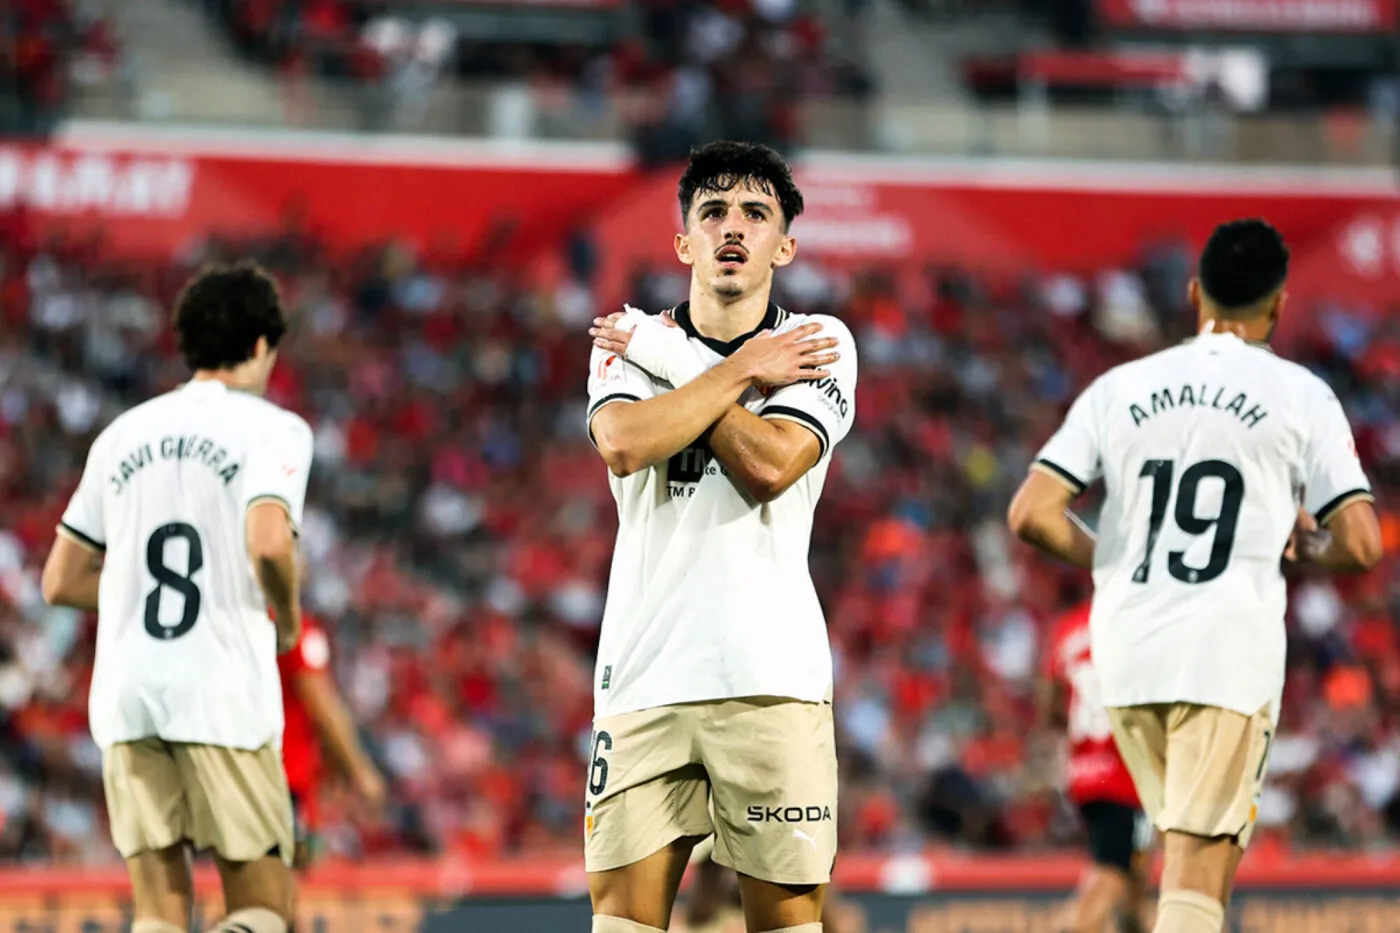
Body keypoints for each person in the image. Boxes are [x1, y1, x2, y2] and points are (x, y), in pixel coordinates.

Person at [1008, 219, 1383, 933]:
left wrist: (1117, 563)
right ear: (1276, 307)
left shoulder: (1118, 387)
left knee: (1169, 866)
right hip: (1221, 649)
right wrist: (1300, 548)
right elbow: (1361, 543)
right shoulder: (1298, 393)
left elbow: (1032, 512)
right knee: (1195, 873)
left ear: (1193, 294)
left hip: (1126, 653)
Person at [582, 140, 858, 933]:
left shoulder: (818, 341)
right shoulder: (626, 343)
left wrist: (670, 359)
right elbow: (627, 442)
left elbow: (771, 464)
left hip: (770, 677)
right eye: (712, 212)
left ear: (785, 244)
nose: (732, 227)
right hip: (641, 679)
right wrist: (736, 369)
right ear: (683, 242)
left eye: (755, 214)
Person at [41, 262, 314, 933]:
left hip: (128, 692)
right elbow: (271, 541)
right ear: (260, 346)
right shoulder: (273, 428)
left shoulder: (121, 434)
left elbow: (59, 580)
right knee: (261, 907)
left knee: (160, 911)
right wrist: (289, 617)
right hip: (221, 691)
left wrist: (134, 594)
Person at [1041, 602, 1151, 933]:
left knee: (1134, 873)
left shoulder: (1069, 627)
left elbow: (1050, 702)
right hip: (1123, 772)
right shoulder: (1137, 619)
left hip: (1085, 771)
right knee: (1112, 872)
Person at [278, 612, 387, 871]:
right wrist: (359, 770)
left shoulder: (241, 625)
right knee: (283, 884)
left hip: (247, 772)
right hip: (285, 779)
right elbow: (321, 702)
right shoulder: (293, 629)